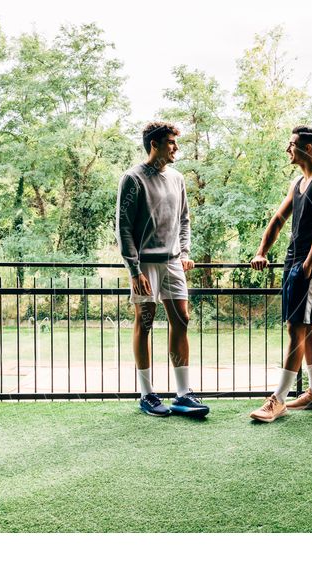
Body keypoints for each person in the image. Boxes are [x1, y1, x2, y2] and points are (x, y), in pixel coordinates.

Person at [249, 126, 312, 422]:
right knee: (307, 323)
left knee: (295, 329)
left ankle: (278, 399)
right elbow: (278, 219)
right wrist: (262, 251)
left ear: (310, 148)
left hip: (311, 264)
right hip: (295, 261)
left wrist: (308, 265)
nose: (287, 149)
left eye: (292, 145)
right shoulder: (298, 183)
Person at [116, 121, 209, 417]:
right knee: (144, 324)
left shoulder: (178, 178)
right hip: (144, 264)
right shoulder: (132, 179)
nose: (176, 148)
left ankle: (183, 394)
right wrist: (134, 270)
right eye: (171, 142)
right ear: (154, 144)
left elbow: (184, 220)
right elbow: (124, 228)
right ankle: (147, 395)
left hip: (172, 263)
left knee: (181, 320)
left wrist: (184, 252)